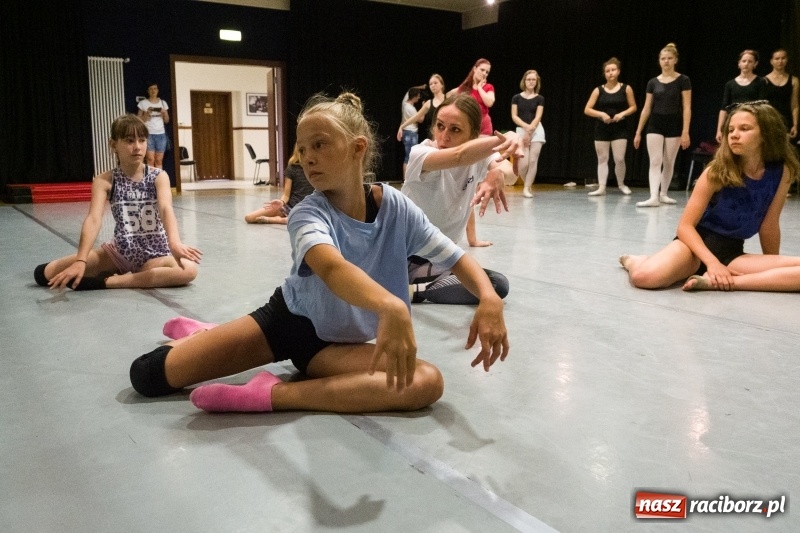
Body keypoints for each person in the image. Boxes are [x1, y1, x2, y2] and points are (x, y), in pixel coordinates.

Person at [128, 91, 509, 413]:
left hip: (334, 347)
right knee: (148, 375)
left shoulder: (396, 207)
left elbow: (454, 256)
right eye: (302, 148)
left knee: (426, 382)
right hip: (286, 324)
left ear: (357, 148)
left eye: (320, 145)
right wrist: (390, 306)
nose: (307, 157)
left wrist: (489, 298)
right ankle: (206, 335)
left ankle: (271, 395)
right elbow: (333, 269)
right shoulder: (308, 213)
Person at [620, 101, 800, 291]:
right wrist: (712, 263)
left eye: (744, 129)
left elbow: (769, 224)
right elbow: (685, 227)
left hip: (732, 254)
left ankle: (719, 283)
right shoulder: (716, 172)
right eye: (730, 130)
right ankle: (636, 261)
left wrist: (773, 266)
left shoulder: (782, 171)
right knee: (644, 278)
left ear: (766, 134)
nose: (734, 135)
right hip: (693, 248)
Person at [33, 114, 201, 291]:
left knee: (188, 270)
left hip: (156, 255)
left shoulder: (159, 176)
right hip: (119, 253)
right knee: (43, 274)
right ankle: (137, 276)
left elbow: (166, 209)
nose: (137, 147)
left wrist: (174, 243)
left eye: (142, 140)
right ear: (113, 145)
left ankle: (106, 282)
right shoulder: (104, 180)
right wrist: (81, 260)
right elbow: (93, 219)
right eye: (129, 141)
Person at [402, 93, 519, 304]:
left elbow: (511, 174)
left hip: (443, 256)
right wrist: (509, 136)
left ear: (473, 135)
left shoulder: (478, 156)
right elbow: (459, 156)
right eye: (440, 126)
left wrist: (498, 173)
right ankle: (410, 290)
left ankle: (411, 288)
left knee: (496, 284)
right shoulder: (421, 154)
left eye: (455, 130)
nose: (444, 136)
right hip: (405, 257)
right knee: (493, 284)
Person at [633, 43, 692, 207]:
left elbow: (687, 107)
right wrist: (638, 131)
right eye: (663, 58)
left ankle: (663, 193)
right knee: (655, 160)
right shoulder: (652, 82)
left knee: (669, 161)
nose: (666, 61)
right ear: (659, 61)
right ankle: (653, 196)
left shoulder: (683, 80)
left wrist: (685, 131)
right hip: (655, 123)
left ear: (675, 60)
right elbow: (646, 108)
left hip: (674, 123)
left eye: (670, 58)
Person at [583, 58, 637, 196]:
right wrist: (601, 114)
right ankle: (602, 187)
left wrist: (622, 114)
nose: (610, 73)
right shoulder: (598, 90)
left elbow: (633, 107)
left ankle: (621, 184)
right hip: (602, 128)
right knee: (602, 158)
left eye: (613, 70)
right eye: (607, 71)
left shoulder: (626, 88)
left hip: (619, 128)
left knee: (619, 158)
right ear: (604, 74)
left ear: (618, 71)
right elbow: (587, 109)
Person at [244, 144, 313, 224]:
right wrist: (281, 202)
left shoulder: (316, 169)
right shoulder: (292, 168)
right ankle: (287, 218)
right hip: (291, 206)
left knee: (310, 218)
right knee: (249, 217)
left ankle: (280, 220)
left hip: (309, 208)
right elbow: (286, 195)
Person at [715, 50, 766, 143]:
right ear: (739, 63)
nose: (746, 64)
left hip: (751, 123)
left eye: (750, 61)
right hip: (733, 122)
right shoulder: (730, 84)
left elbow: (762, 106)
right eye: (744, 61)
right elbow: (724, 108)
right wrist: (719, 129)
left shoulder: (760, 82)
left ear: (755, 64)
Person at [511, 70, 546, 198]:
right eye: (529, 79)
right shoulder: (516, 98)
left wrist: (530, 129)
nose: (531, 82)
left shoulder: (540, 98)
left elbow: (538, 116)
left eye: (533, 80)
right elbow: (514, 116)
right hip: (522, 130)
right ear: (524, 81)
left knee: (532, 160)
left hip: (536, 130)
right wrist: (526, 128)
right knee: (523, 164)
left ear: (537, 82)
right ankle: (527, 183)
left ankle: (526, 188)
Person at [448, 58, 495, 136]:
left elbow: (489, 103)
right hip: (468, 126)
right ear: (475, 69)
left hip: (484, 127)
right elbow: (449, 96)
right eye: (482, 70)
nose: (484, 73)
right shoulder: (464, 88)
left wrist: (479, 87)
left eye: (487, 72)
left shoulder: (488, 87)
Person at [397, 74, 447, 142]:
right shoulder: (428, 103)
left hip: (447, 134)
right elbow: (416, 117)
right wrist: (402, 126)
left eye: (435, 83)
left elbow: (459, 90)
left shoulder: (448, 97)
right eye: (430, 84)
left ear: (442, 85)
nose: (433, 85)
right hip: (434, 137)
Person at [763, 49, 799, 140]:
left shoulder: (794, 81)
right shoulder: (763, 81)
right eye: (777, 58)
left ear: (787, 60)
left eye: (783, 58)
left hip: (787, 120)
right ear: (771, 61)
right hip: (770, 120)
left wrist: (795, 125)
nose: (780, 61)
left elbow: (795, 105)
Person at [136, 82, 170, 169]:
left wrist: (164, 113)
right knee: (150, 160)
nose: (153, 91)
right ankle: (150, 177)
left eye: (155, 88)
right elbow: (138, 121)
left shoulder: (163, 103)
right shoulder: (143, 103)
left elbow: (167, 121)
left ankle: (159, 177)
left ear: (158, 90)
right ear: (148, 91)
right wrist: (146, 114)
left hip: (161, 134)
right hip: (148, 134)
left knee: (159, 160)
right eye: (151, 89)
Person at [398, 87, 423, 175]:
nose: (419, 98)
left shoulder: (404, 103)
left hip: (406, 132)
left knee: (408, 156)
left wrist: (421, 87)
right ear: (414, 97)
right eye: (418, 96)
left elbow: (410, 89)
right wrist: (423, 108)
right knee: (410, 157)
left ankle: (406, 178)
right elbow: (420, 119)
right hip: (411, 134)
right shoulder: (411, 109)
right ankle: (407, 178)